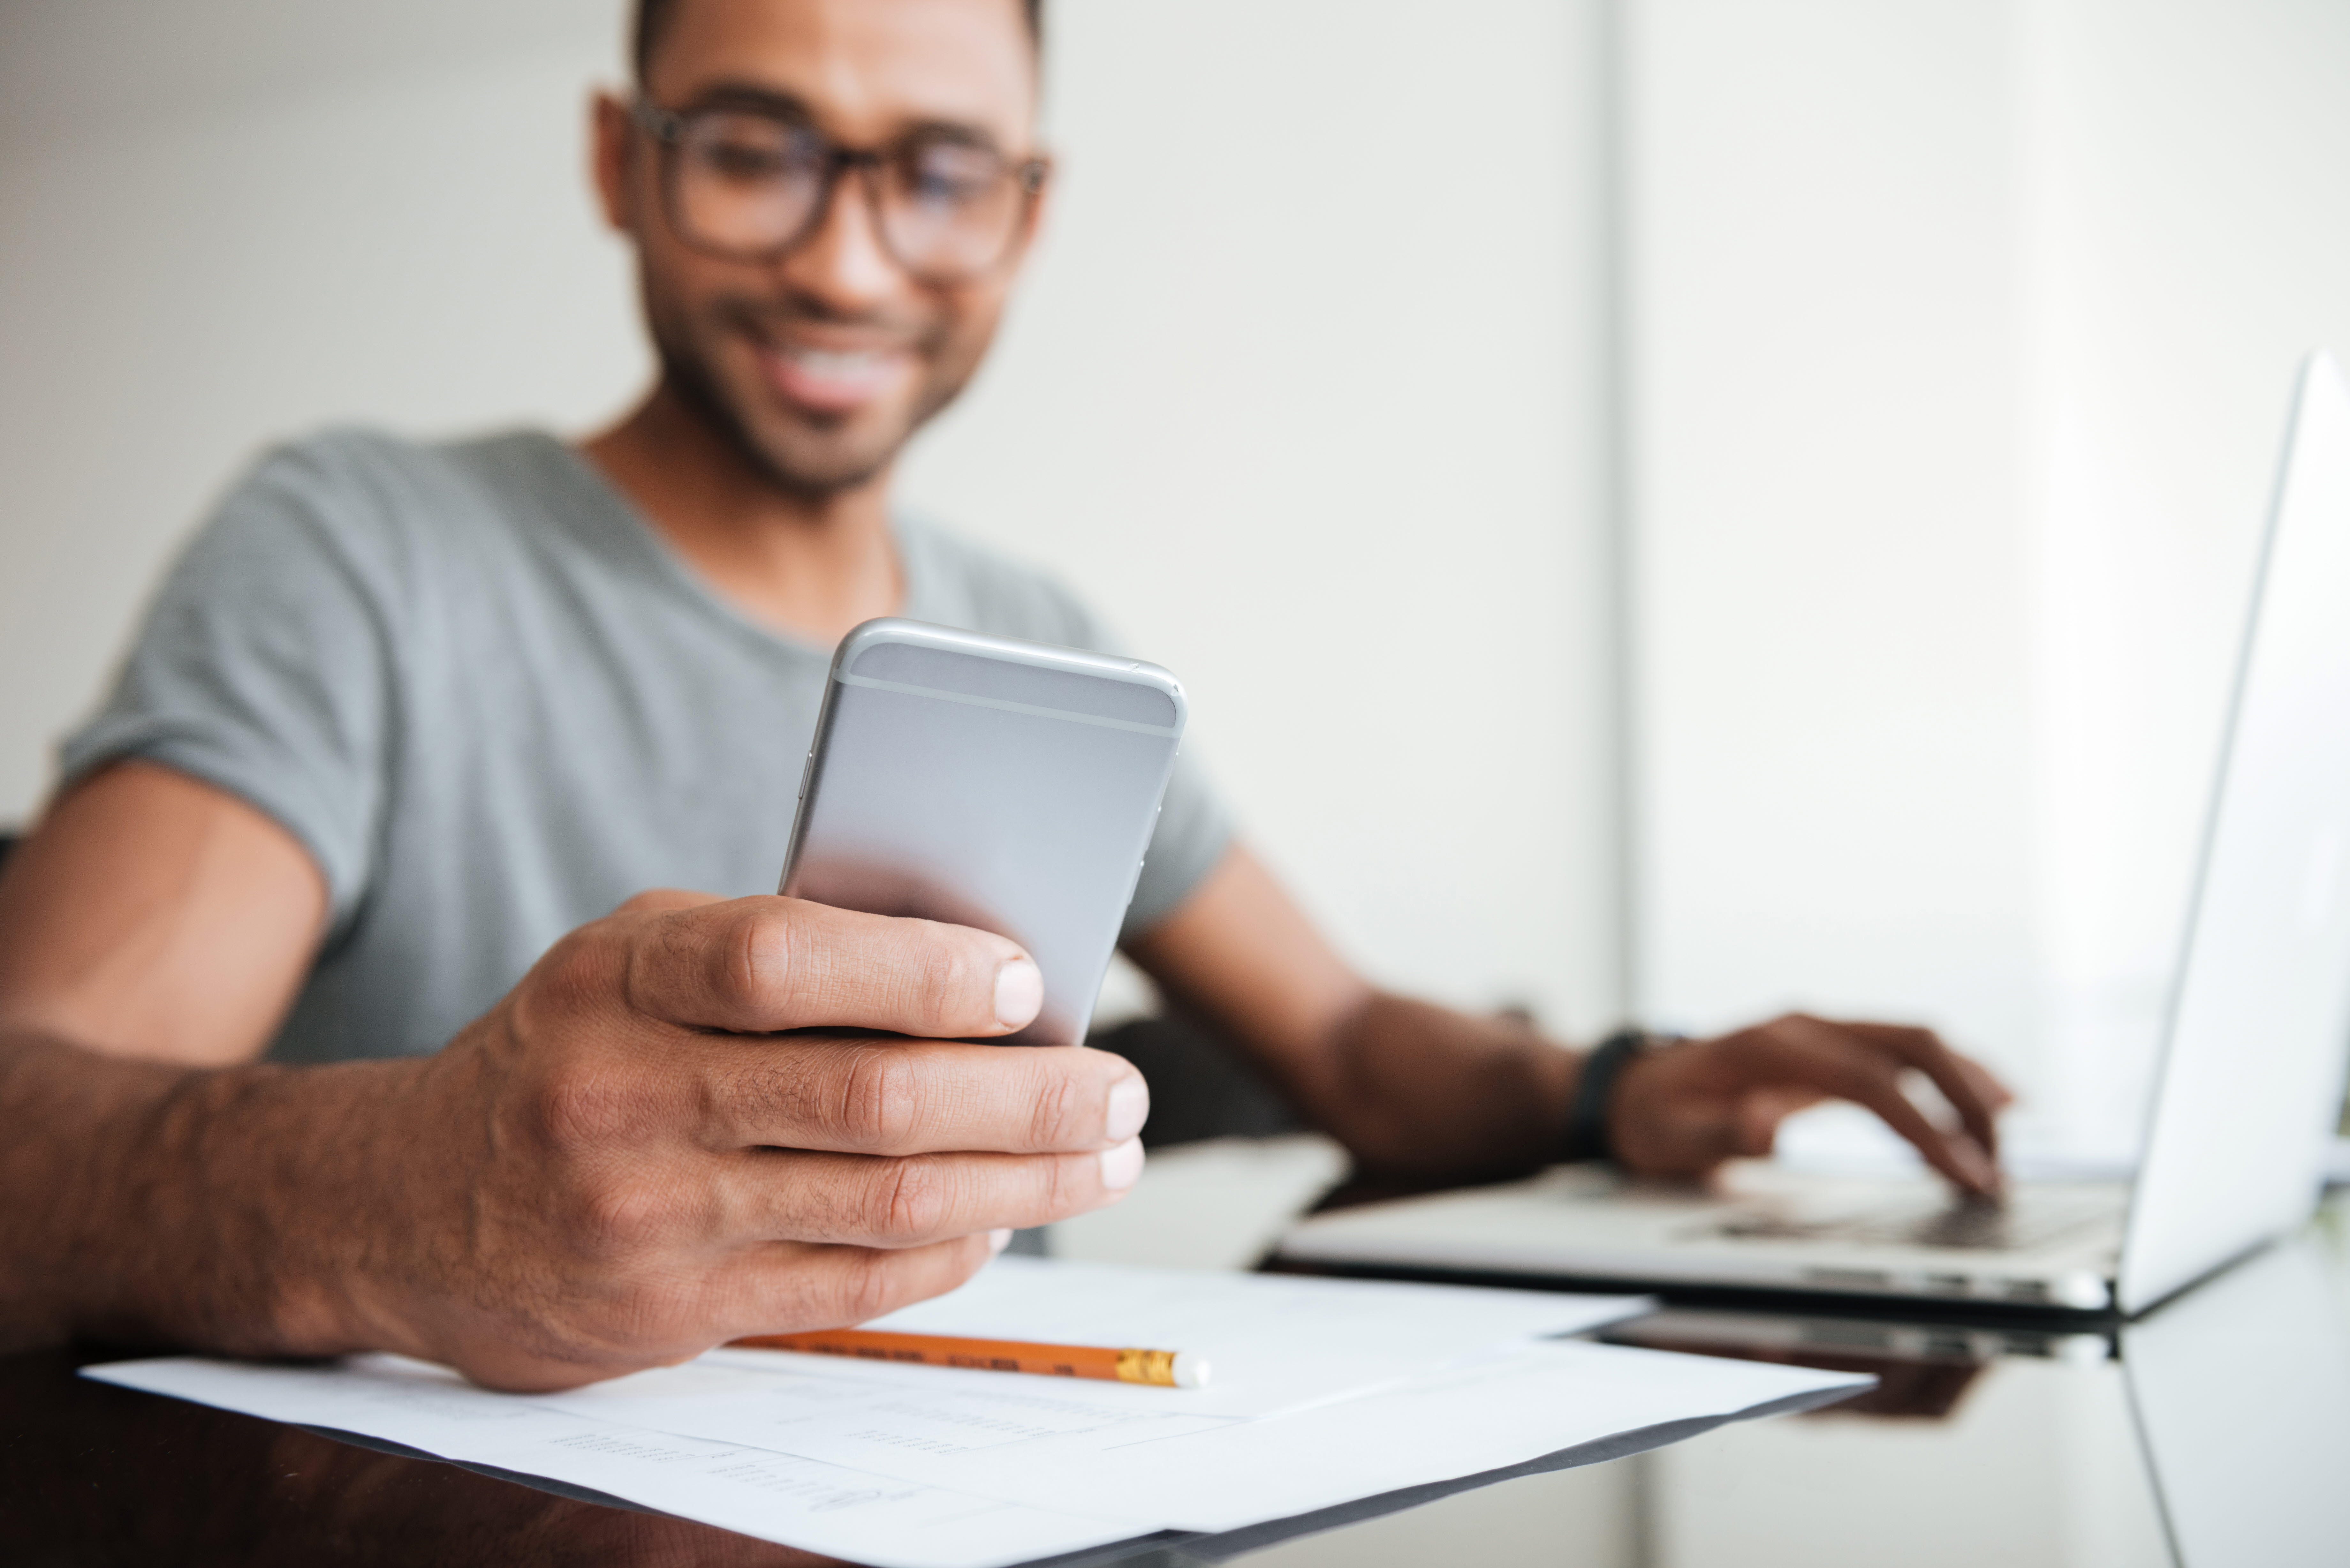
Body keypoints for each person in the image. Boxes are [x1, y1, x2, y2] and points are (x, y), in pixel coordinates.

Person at [0, 0, 2008, 1392]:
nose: (850, 261)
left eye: (938, 172)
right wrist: (411, 1198)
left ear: (1027, 216)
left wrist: (1608, 1086)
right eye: (757, 152)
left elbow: (1345, 1040)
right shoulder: (361, 549)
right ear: (623, 163)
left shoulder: (1034, 640)